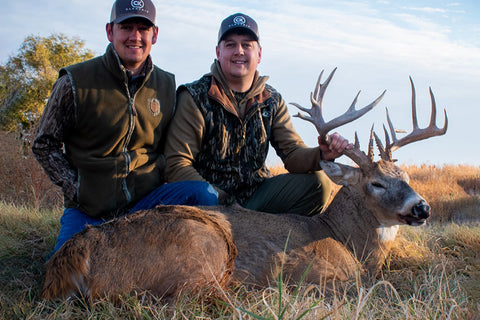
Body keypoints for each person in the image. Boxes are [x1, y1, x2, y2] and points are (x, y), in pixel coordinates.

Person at [32, 0, 218, 253]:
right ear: (110, 31)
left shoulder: (166, 85)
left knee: (205, 196)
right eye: (126, 27)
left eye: (143, 28)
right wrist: (74, 188)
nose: (135, 36)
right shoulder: (75, 81)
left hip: (148, 202)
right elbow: (44, 143)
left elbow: (168, 147)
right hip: (90, 207)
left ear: (155, 34)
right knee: (66, 281)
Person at [164, 13, 351, 216]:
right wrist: (222, 200)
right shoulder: (195, 96)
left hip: (255, 199)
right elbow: (177, 164)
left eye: (247, 45)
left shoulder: (271, 100)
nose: (239, 51)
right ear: (218, 52)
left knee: (319, 184)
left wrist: (322, 154)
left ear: (259, 54)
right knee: (202, 196)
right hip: (208, 202)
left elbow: (292, 154)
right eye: (230, 45)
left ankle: (274, 242)